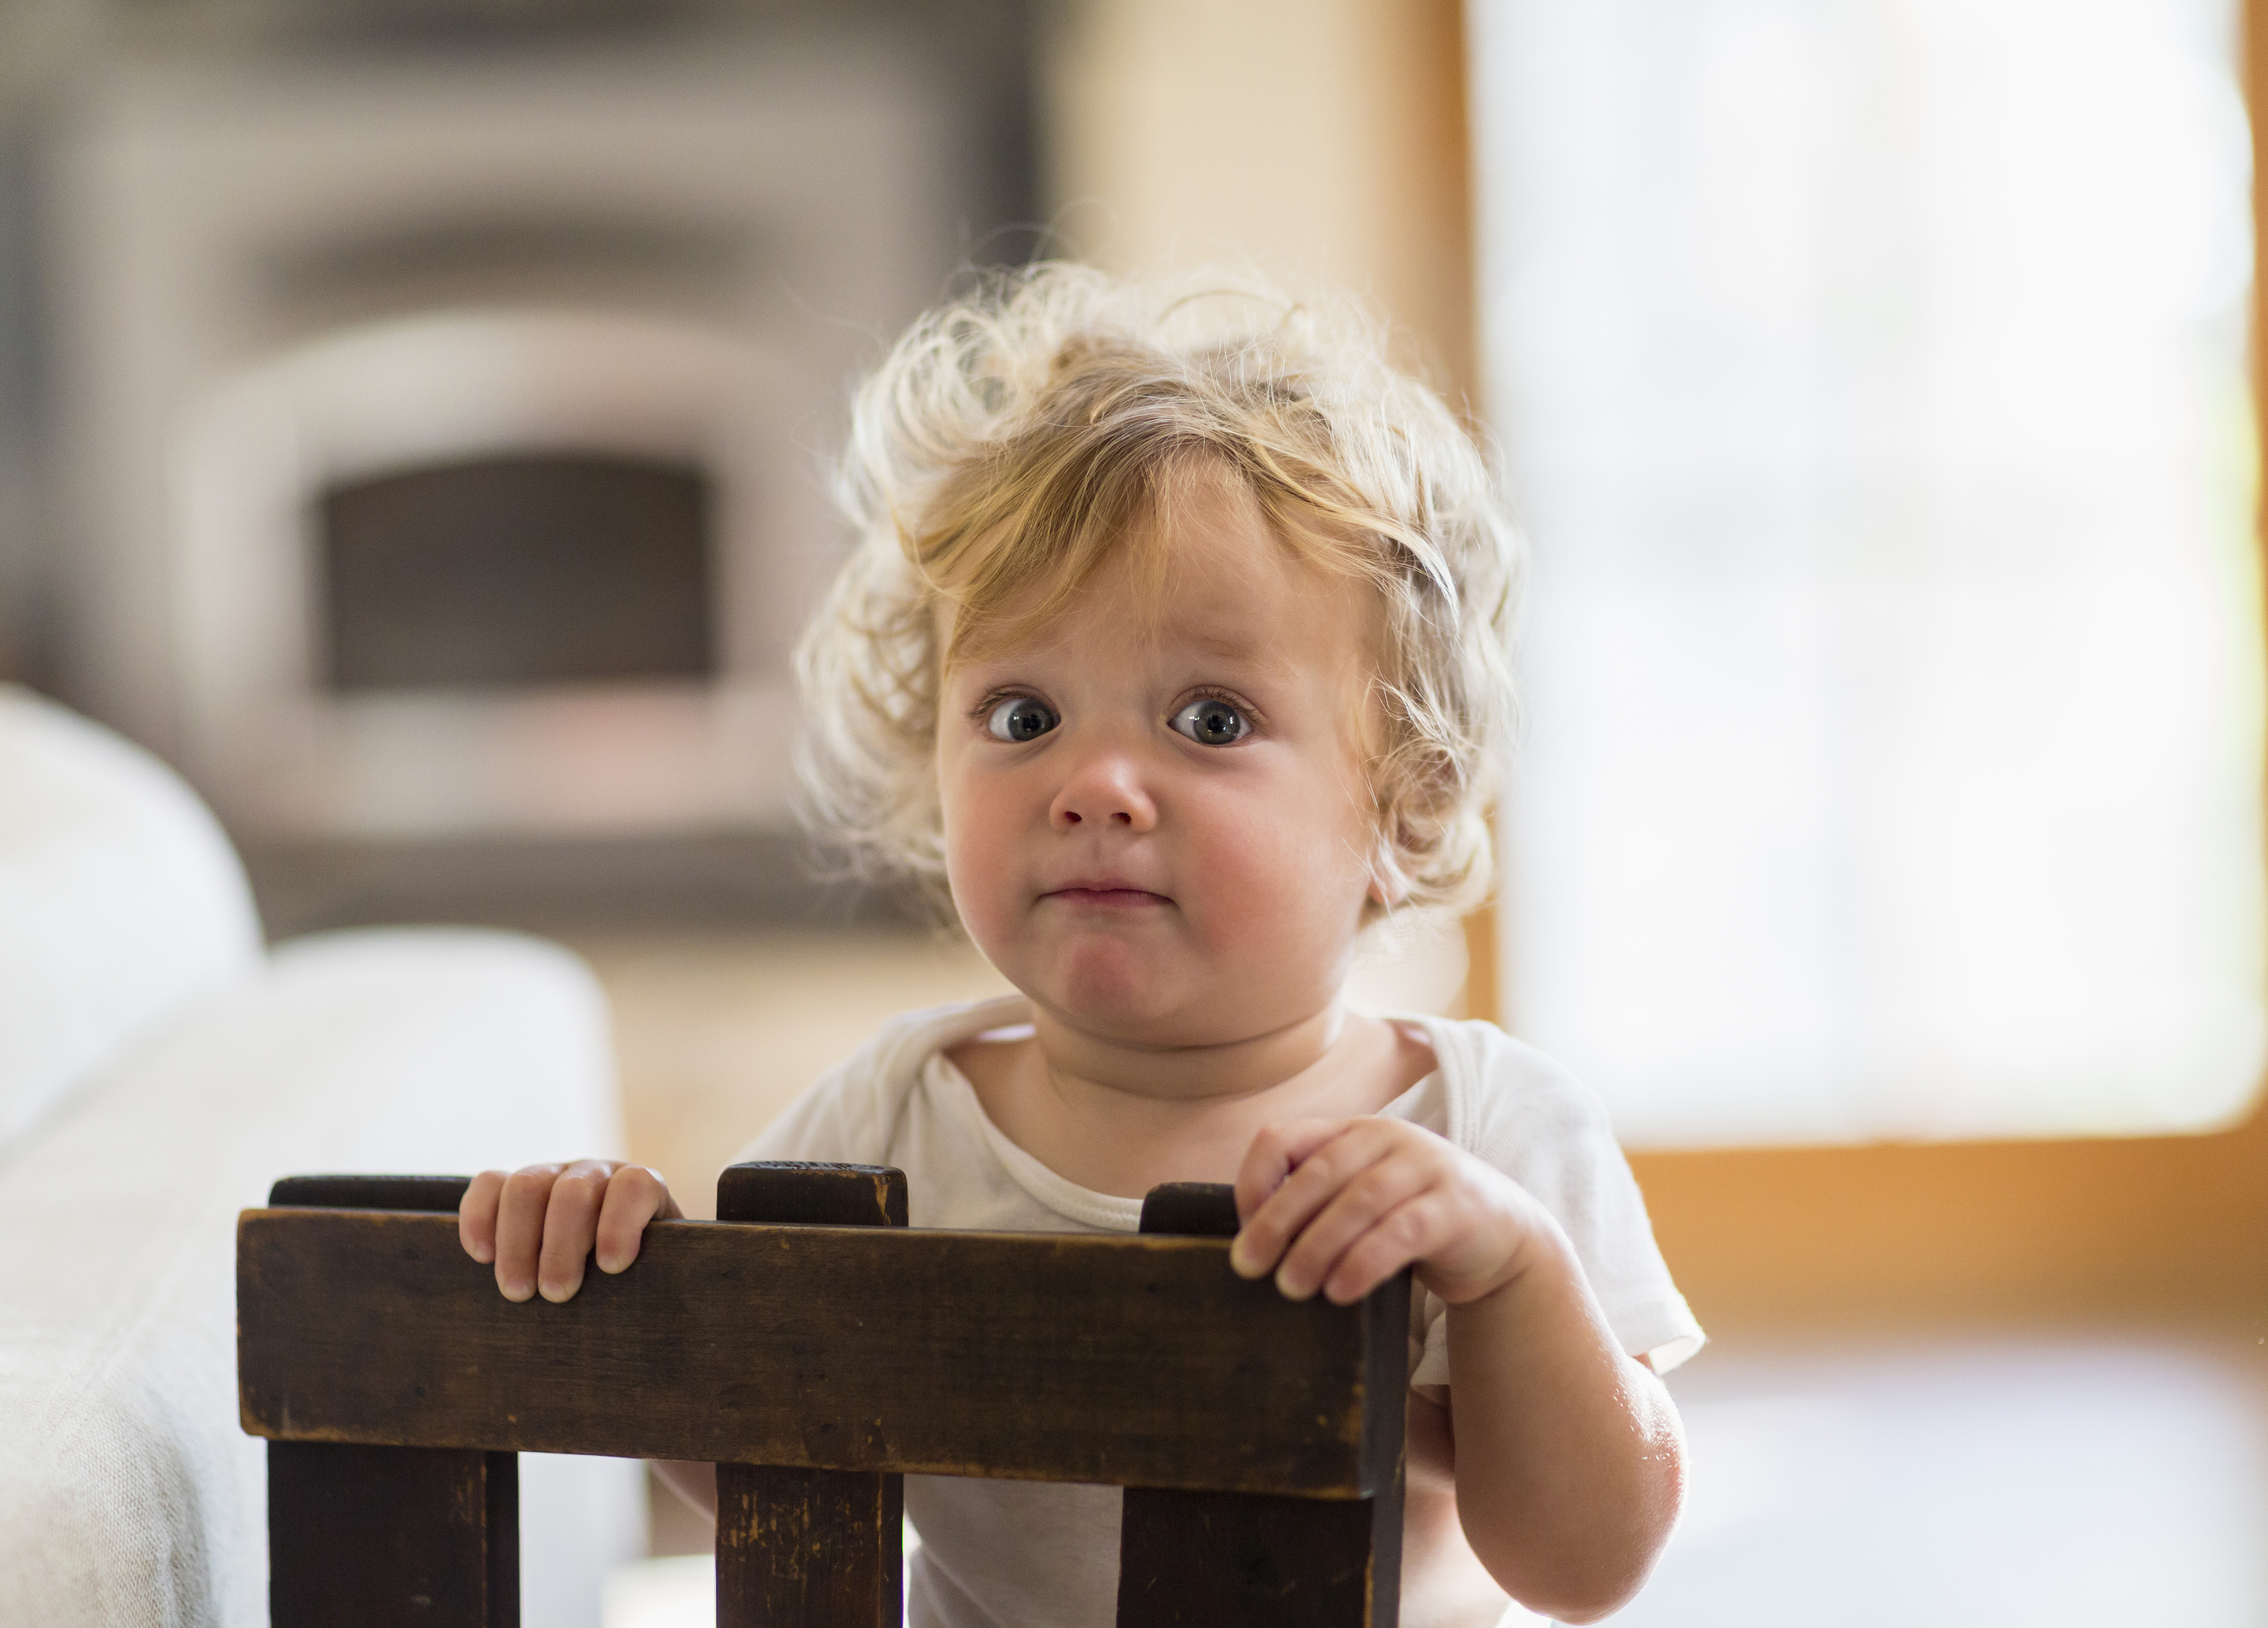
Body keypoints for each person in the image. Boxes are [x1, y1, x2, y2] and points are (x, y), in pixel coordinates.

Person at [457, 264, 1702, 1628]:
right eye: (1021, 715)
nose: (1094, 783)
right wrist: (624, 1285)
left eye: (1211, 719)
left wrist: (1508, 1267)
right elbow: (777, 1458)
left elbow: (1586, 1565)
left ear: (1396, 803)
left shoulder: (1481, 1130)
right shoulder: (891, 1114)